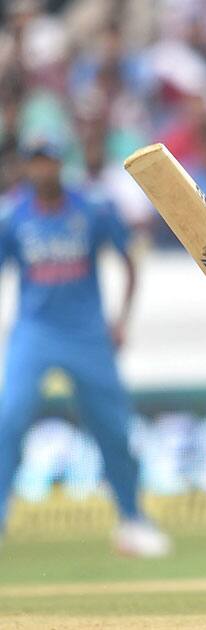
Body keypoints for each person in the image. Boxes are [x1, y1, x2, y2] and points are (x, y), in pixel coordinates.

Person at [0, 138, 170, 556]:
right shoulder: (13, 217)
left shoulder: (90, 209)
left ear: (61, 163)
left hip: (88, 334)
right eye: (36, 163)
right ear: (26, 168)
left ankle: (133, 520)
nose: (44, 170)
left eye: (50, 161)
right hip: (34, 331)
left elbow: (128, 260)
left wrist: (121, 321)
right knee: (9, 420)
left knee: (112, 428)